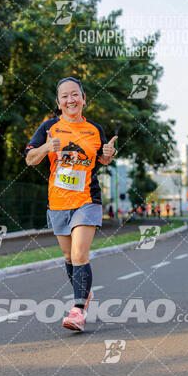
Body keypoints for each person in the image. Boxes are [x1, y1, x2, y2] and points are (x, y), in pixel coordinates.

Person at [25, 77, 116, 332]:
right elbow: (30, 159)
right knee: (68, 257)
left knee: (79, 254)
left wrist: (107, 156)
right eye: (64, 96)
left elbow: (102, 159)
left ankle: (77, 310)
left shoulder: (95, 130)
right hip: (57, 202)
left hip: (87, 200)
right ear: (58, 102)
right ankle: (84, 294)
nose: (70, 100)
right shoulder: (49, 127)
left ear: (84, 98)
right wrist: (45, 147)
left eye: (75, 94)